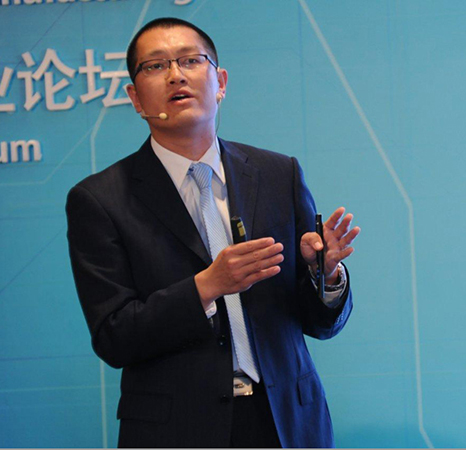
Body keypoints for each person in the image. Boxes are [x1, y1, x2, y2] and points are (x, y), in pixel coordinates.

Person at [66, 17, 360, 448]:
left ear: (220, 82)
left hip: (287, 422)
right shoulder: (100, 199)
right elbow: (114, 336)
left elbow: (319, 324)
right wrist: (206, 286)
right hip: (177, 430)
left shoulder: (277, 174)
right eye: (155, 66)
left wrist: (325, 274)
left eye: (190, 60)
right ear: (135, 98)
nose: (175, 75)